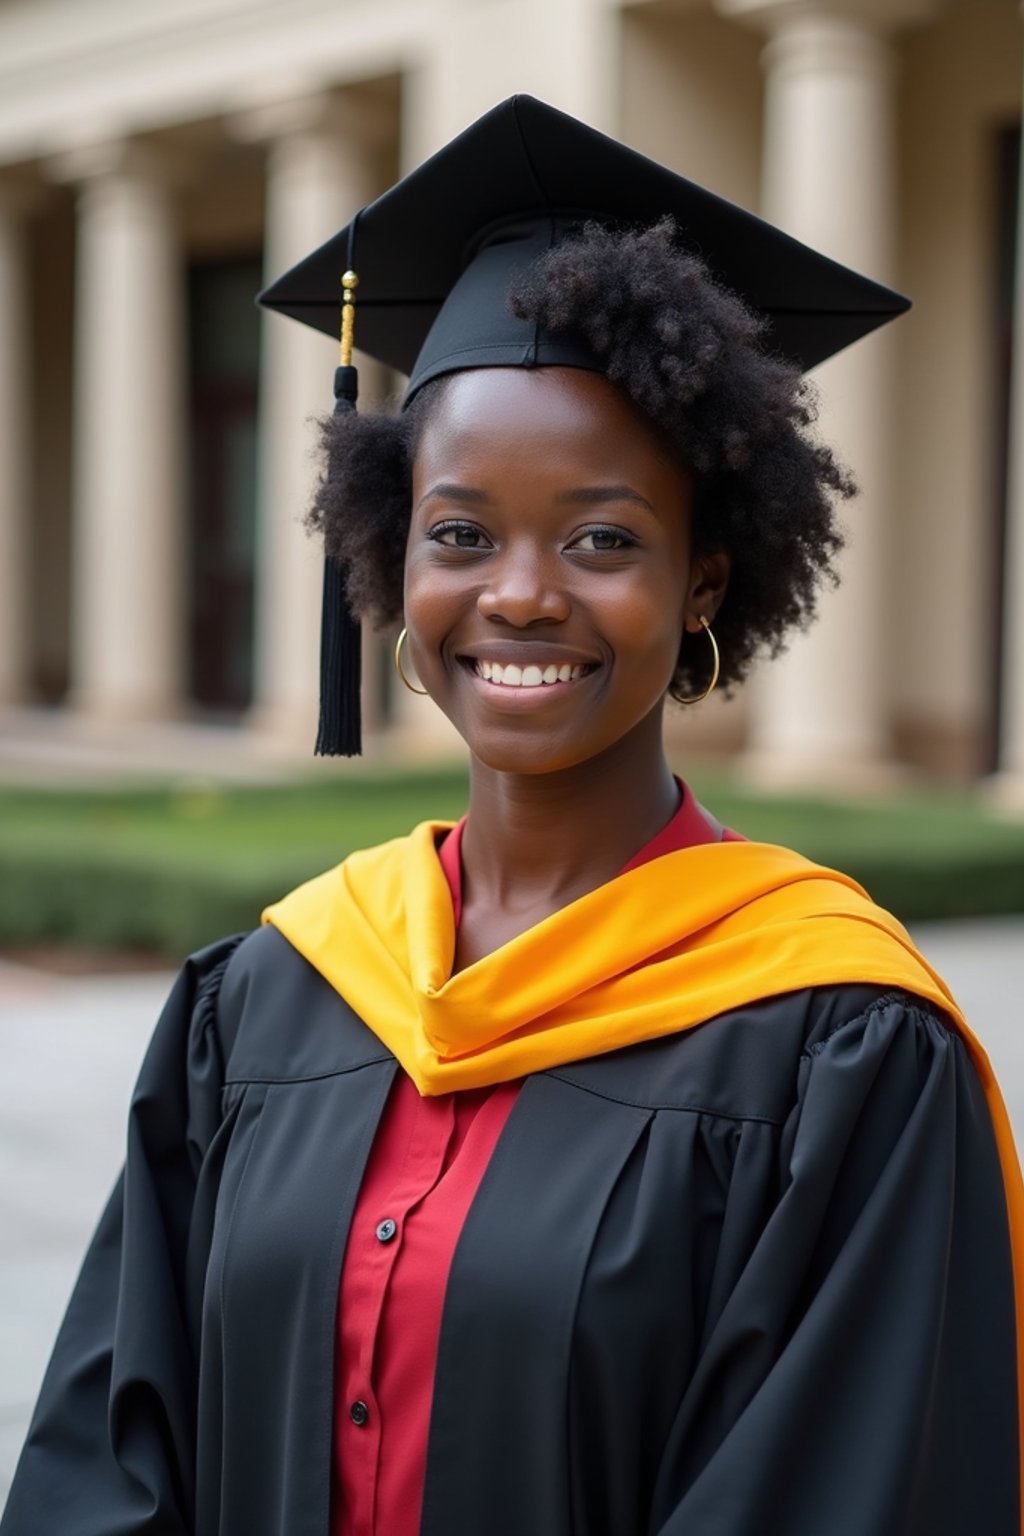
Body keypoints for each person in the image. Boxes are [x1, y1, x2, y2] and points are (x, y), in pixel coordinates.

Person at [3, 95, 1022, 1536]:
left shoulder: (835, 1052)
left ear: (707, 580)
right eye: (460, 533)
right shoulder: (271, 999)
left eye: (603, 537)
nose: (521, 592)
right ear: (387, 553)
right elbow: (111, 1455)